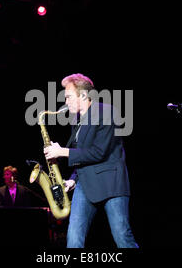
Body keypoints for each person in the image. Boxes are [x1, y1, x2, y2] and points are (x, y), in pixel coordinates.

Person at [43, 73, 139, 248]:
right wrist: (73, 179)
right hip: (85, 184)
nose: (66, 101)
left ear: (84, 95)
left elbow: (98, 152)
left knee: (122, 236)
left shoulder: (106, 111)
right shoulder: (77, 120)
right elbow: (82, 154)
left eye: (69, 96)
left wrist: (62, 151)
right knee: (73, 238)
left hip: (111, 183)